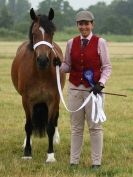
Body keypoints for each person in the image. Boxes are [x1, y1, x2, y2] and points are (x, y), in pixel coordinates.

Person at [53, 10, 112, 169]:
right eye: (81, 24)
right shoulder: (71, 43)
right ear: (77, 25)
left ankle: (96, 163)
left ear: (92, 24)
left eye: (86, 24)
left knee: (95, 127)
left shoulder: (101, 43)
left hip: (94, 91)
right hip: (75, 90)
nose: (83, 27)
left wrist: (101, 83)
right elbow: (68, 66)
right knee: (76, 128)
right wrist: (58, 65)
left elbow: (107, 67)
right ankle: (74, 161)